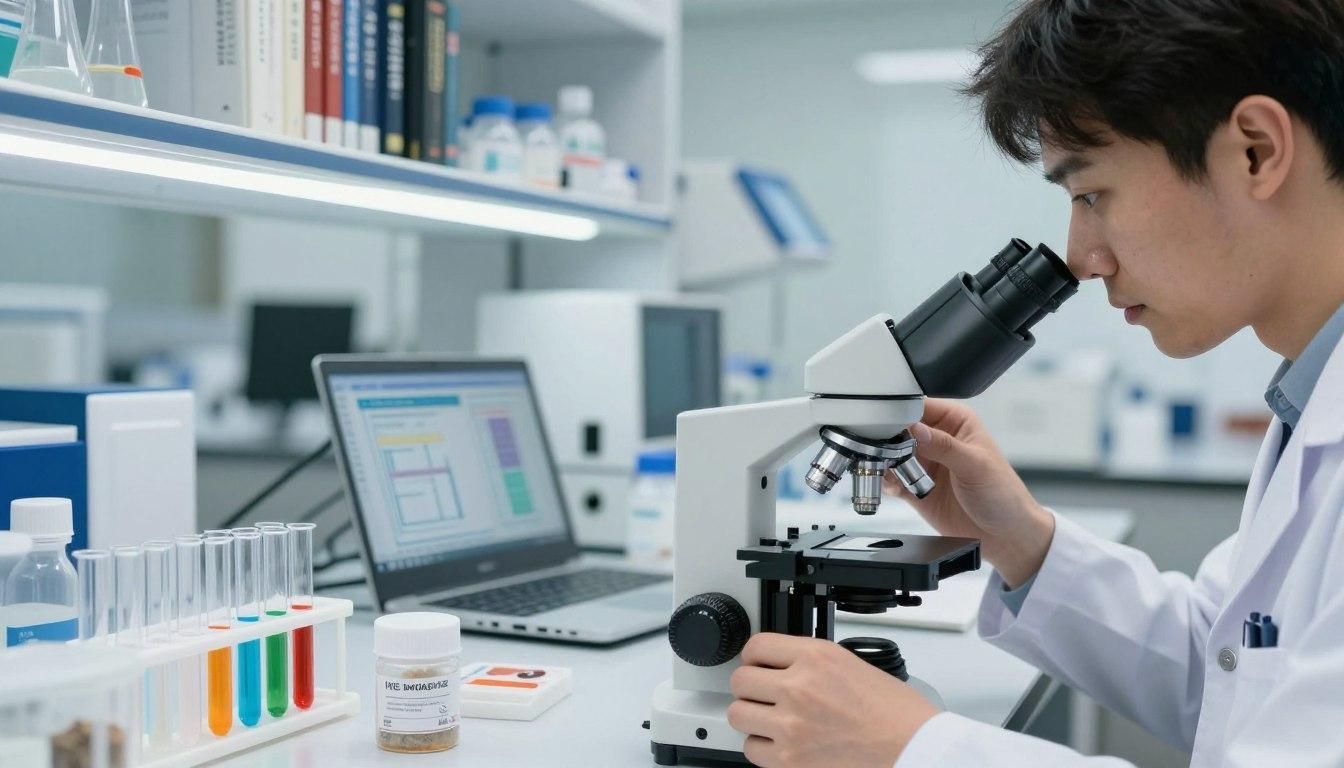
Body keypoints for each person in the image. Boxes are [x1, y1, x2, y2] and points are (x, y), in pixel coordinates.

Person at [724, 1, 1344, 766]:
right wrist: (1018, 538)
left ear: (1254, 151)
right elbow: (1230, 673)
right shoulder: (1310, 392)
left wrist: (913, 748)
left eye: (1089, 193)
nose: (1080, 256)